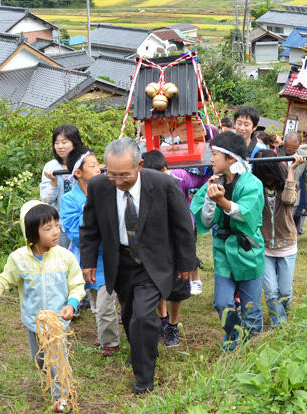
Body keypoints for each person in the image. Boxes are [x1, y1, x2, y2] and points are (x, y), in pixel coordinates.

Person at [79, 138, 197, 394]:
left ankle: (144, 378)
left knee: (144, 316)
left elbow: (182, 225)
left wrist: (187, 261)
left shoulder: (163, 184)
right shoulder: (99, 186)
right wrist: (87, 261)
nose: (119, 181)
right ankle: (142, 349)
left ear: (139, 165)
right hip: (120, 260)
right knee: (131, 315)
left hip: (153, 261)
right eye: (112, 174)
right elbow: (89, 226)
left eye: (125, 175)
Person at [0, 201, 84, 412]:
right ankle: (54, 382)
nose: (55, 232)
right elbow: (4, 280)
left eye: (56, 225)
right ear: (31, 234)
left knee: (56, 360)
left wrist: (71, 305)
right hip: (33, 321)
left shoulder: (65, 257)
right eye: (48, 228)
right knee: (41, 360)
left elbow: (77, 285)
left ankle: (62, 397)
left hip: (57, 323)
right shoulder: (18, 259)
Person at [190, 132, 265, 350]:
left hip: (248, 247)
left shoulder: (252, 183)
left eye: (214, 154)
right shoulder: (212, 183)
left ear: (231, 158)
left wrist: (221, 200)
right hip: (223, 248)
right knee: (222, 302)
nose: (210, 159)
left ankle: (253, 344)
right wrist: (210, 200)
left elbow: (245, 214)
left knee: (251, 306)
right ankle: (232, 332)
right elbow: (205, 220)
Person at [61, 148, 121, 356]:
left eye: (99, 164)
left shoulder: (109, 190)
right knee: (96, 301)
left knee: (105, 303)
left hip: (108, 257)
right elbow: (74, 232)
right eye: (93, 165)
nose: (99, 168)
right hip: (87, 258)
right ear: (78, 173)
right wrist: (93, 211)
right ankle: (104, 334)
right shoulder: (70, 199)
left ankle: (110, 342)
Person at [141, 149, 195, 347]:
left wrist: (186, 257)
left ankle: (172, 324)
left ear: (166, 170)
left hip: (174, 246)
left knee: (177, 288)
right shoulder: (142, 191)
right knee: (155, 283)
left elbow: (184, 226)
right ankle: (162, 318)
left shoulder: (174, 186)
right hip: (154, 247)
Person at [253, 149, 304, 328]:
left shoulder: (287, 184)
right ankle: (278, 324)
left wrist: (291, 170)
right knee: (271, 292)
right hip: (264, 246)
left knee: (285, 292)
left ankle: (282, 312)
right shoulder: (255, 187)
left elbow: (289, 200)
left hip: (287, 245)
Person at [40, 125, 84, 249]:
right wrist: (53, 183)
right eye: (57, 143)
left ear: (74, 143)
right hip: (60, 224)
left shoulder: (83, 164)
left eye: (64, 142)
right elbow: (46, 200)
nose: (60, 146)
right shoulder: (51, 166)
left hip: (80, 221)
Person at [277, 132, 307, 236]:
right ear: (284, 143)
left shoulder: (305, 156)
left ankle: (287, 241)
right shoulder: (276, 152)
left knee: (288, 220)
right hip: (277, 192)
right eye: (288, 148)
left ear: (299, 145)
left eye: (293, 149)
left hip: (293, 194)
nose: (290, 151)